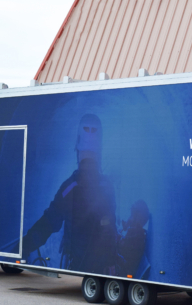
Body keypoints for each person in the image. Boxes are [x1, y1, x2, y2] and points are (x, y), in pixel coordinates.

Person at [24, 114, 149, 276]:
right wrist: (111, 261)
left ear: (78, 147)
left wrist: (23, 246)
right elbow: (109, 228)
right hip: (102, 267)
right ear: (99, 150)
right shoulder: (107, 187)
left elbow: (48, 223)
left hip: (77, 266)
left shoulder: (69, 188)